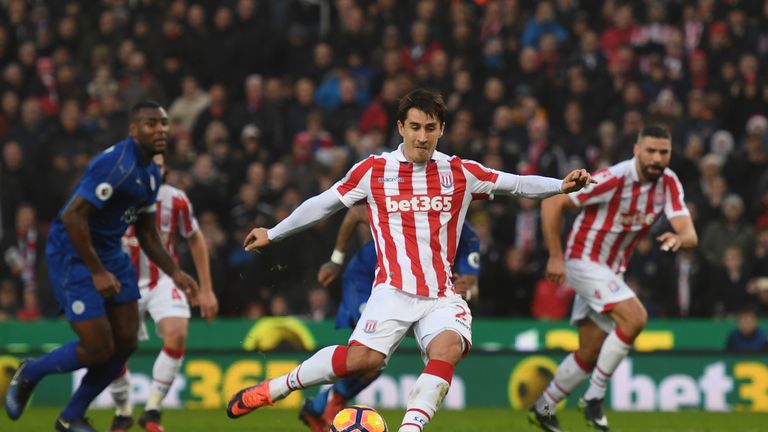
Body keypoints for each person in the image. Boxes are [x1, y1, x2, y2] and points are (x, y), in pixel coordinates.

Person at [226, 88, 593, 431]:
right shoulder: (374, 171)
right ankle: (278, 388)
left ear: (441, 130)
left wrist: (559, 185)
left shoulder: (460, 172)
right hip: (391, 291)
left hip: (440, 294)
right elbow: (324, 203)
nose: (422, 136)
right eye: (415, 127)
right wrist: (272, 233)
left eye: (430, 128)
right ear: (400, 127)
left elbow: (515, 183)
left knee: (447, 348)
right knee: (362, 362)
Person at [4, 101, 199, 432]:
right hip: (73, 256)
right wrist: (96, 271)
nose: (161, 130)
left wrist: (176, 273)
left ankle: (71, 417)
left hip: (110, 253)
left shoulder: (152, 173)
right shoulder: (115, 165)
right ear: (134, 130)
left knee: (126, 343)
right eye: (151, 124)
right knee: (98, 348)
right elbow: (72, 216)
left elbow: (147, 232)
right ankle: (31, 372)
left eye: (164, 124)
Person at [529, 125, 698, 432]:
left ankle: (543, 407)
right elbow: (553, 203)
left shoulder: (669, 182)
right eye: (651, 151)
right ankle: (594, 397)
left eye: (664, 152)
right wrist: (555, 255)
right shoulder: (615, 178)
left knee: (590, 351)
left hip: (610, 270)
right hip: (583, 260)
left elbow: (690, 233)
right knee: (635, 319)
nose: (657, 158)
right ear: (637, 150)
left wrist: (679, 237)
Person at [300, 205, 481, 431]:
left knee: (374, 361)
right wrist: (336, 259)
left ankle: (320, 406)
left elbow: (473, 286)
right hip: (367, 281)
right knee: (371, 356)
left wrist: (466, 290)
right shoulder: (419, 212)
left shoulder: (468, 238)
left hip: (415, 295)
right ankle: (328, 405)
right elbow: (356, 213)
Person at [108, 154, 219, 432]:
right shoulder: (115, 196)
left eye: (159, 165)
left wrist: (206, 290)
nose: (154, 170)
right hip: (123, 282)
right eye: (148, 164)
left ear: (165, 169)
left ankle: (152, 411)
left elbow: (194, 236)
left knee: (178, 332)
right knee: (114, 349)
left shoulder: (176, 199)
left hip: (164, 279)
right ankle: (122, 412)